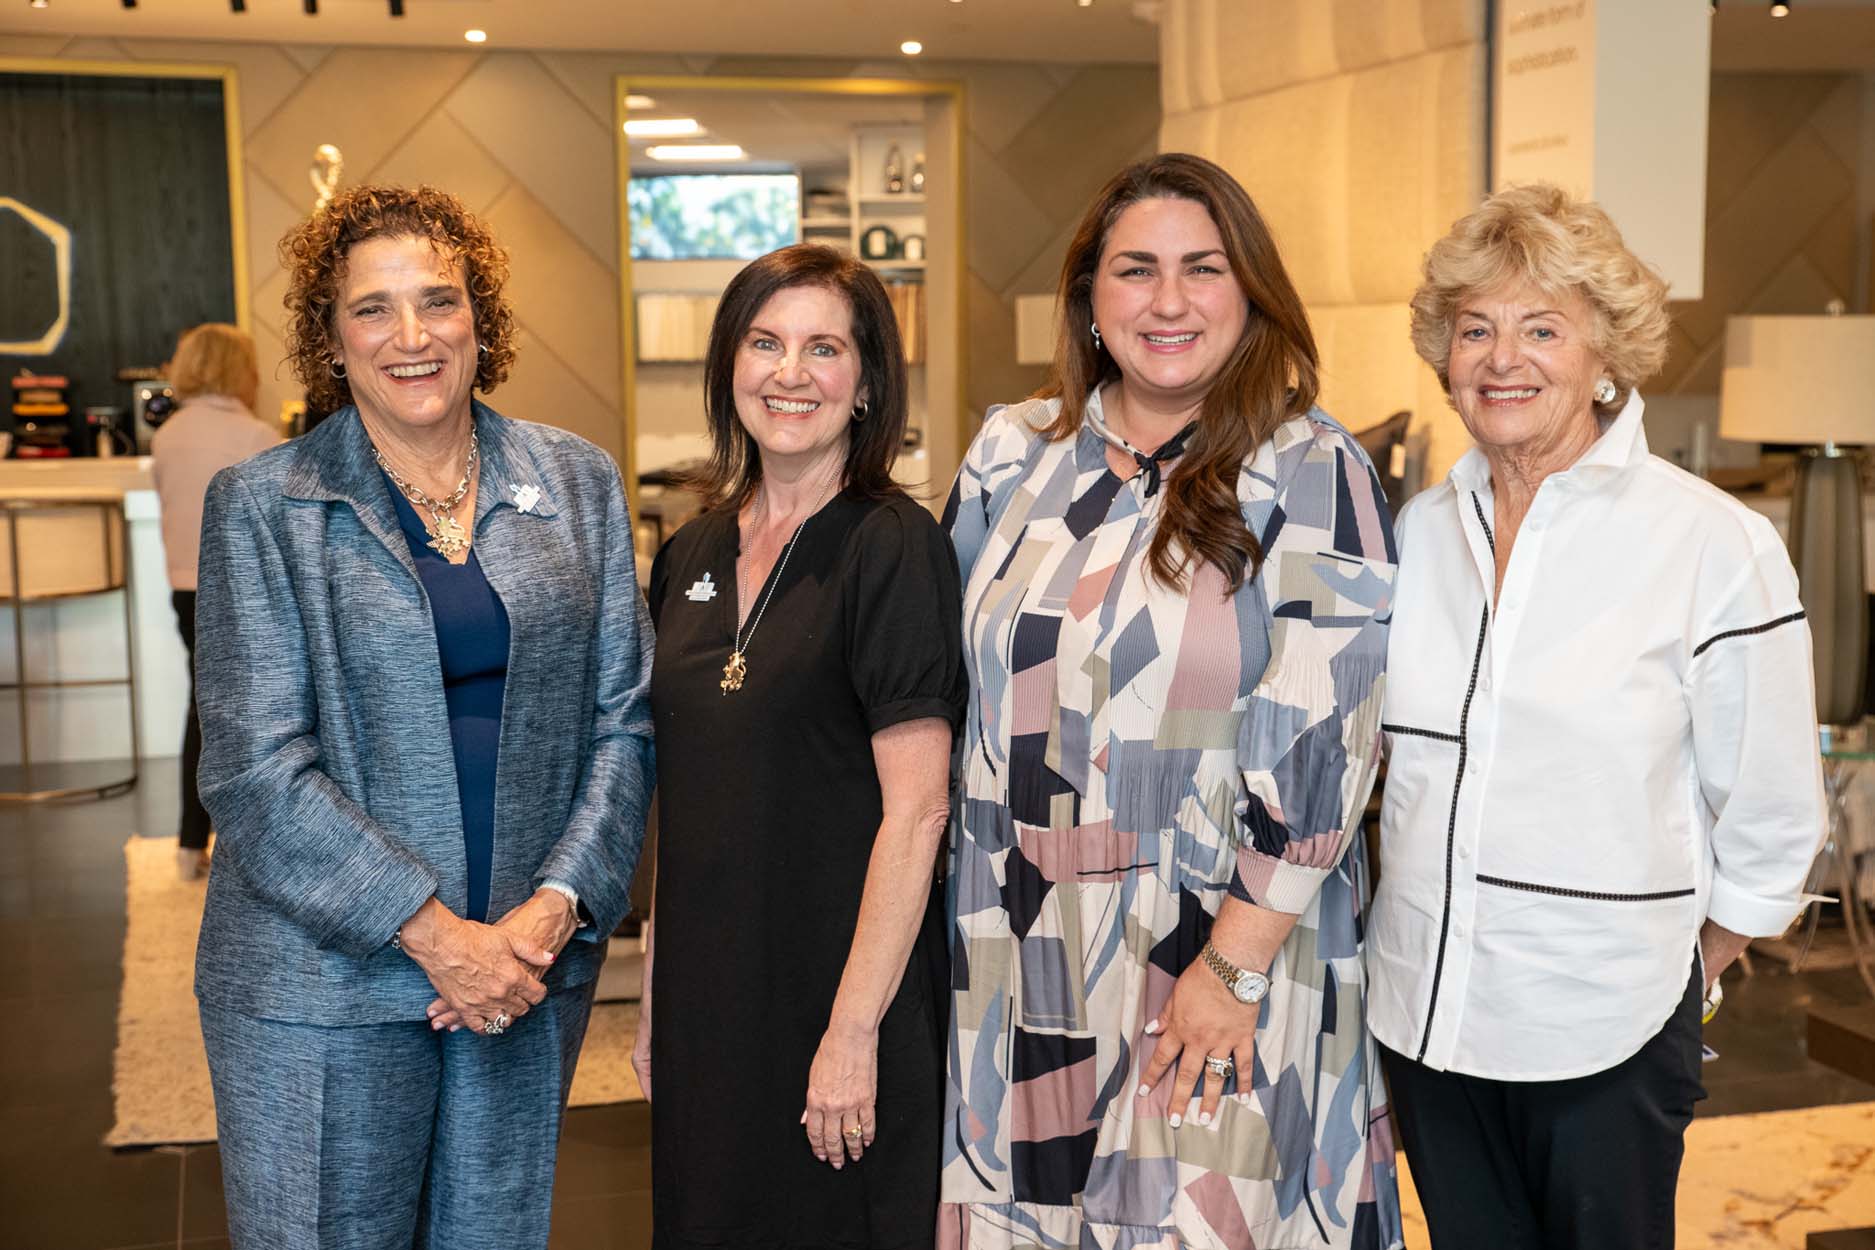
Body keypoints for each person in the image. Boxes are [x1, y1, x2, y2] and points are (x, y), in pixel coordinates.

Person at [940, 152, 1403, 1249]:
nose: (1168, 301)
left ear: (1251, 293)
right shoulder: (1015, 451)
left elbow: (1327, 744)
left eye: (1203, 268)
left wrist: (1230, 968)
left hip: (1215, 953)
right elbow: (940, 684)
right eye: (1135, 269)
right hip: (1013, 949)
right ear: (1089, 296)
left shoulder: (1309, 467)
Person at [192, 184, 654, 1250]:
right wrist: (438, 938)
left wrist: (548, 915)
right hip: (323, 983)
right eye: (373, 309)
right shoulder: (264, 504)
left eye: (439, 300)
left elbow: (625, 720)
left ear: (480, 320)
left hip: (522, 971)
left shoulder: (575, 480)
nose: (412, 336)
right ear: (331, 338)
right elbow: (255, 769)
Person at [1369, 182, 1827, 1249]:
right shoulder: (1413, 535)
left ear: (1605, 353)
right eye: (1474, 329)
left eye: (1542, 328)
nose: (1502, 358)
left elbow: (1772, 810)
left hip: (1606, 1029)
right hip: (1426, 1018)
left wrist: (1688, 975)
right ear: (1444, 356)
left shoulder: (1709, 543)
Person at [636, 243, 965, 1250]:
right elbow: (682, 800)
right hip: (707, 1002)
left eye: (824, 348)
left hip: (839, 998)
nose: (790, 372)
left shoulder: (893, 544)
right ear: (729, 365)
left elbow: (918, 811)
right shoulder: (690, 552)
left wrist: (852, 1032)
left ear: (866, 385)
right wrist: (652, 999)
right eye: (764, 342)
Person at [150, 322, 279, 880]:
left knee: (201, 712)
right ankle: (256, 846)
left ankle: (188, 843)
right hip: (243, 592)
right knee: (258, 719)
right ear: (239, 369)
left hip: (184, 591)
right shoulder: (257, 436)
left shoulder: (167, 435)